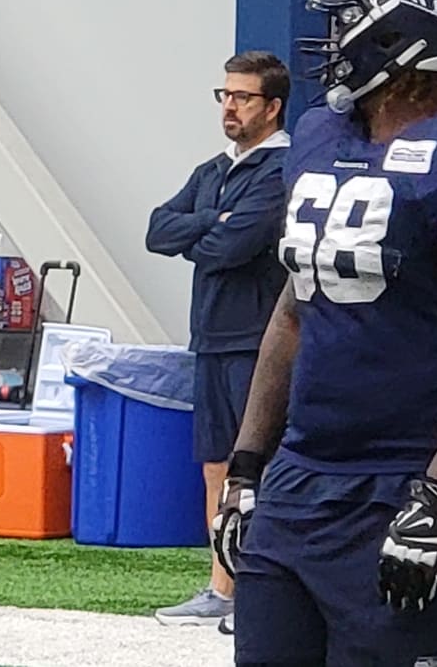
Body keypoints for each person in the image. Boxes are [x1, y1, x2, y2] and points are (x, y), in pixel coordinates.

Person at [212, 0, 437, 665]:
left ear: (395, 30)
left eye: (345, 19)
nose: (330, 40)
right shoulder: (319, 133)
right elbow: (294, 308)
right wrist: (248, 463)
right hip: (299, 478)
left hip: (402, 478)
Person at [146, 51, 290, 628]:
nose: (229, 107)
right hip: (209, 336)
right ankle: (221, 586)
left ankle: (263, 591)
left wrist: (206, 229)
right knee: (215, 467)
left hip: (257, 341)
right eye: (224, 95)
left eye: (242, 97)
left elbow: (237, 248)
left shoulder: (283, 170)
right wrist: (213, 221)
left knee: (259, 465)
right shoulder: (213, 170)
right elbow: (159, 228)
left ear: (272, 106)